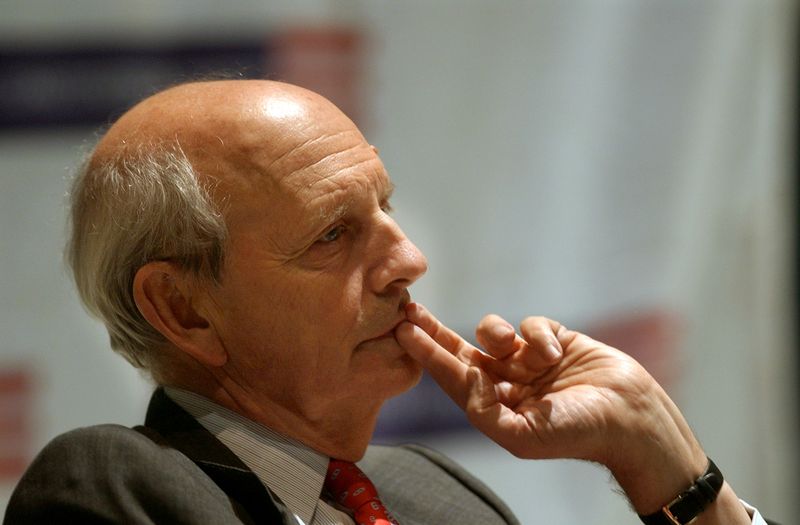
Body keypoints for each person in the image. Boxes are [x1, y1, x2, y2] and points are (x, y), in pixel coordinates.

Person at [4, 80, 773, 525]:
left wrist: (665, 464)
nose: (409, 260)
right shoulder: (109, 484)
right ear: (185, 308)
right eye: (334, 233)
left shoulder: (439, 496)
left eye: (386, 209)